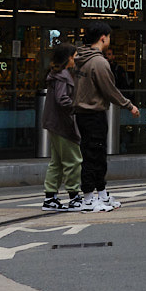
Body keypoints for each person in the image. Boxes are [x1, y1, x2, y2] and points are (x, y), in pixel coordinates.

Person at [72, 26, 137, 212]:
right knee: (94, 156)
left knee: (95, 154)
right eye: (108, 36)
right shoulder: (99, 63)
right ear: (102, 38)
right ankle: (88, 198)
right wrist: (129, 105)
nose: (109, 39)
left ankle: (101, 193)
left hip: (82, 114)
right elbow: (110, 90)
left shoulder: (79, 58)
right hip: (94, 114)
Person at [39, 44, 83, 213]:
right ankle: (74, 196)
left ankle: (50, 198)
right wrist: (75, 107)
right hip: (62, 123)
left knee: (56, 162)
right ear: (69, 58)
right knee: (73, 160)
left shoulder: (56, 75)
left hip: (54, 123)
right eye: (75, 55)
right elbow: (62, 98)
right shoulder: (63, 76)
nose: (77, 58)